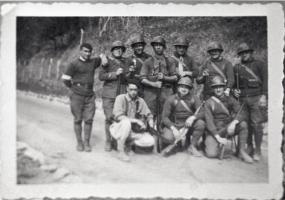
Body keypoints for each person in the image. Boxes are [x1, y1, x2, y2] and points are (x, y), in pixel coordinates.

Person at [62, 43, 107, 152]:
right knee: (78, 119)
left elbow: (102, 57)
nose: (87, 53)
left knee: (89, 120)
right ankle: (79, 143)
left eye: (89, 51)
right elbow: (65, 79)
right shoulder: (73, 64)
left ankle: (87, 142)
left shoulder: (93, 62)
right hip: (76, 95)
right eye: (85, 51)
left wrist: (104, 56)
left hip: (89, 95)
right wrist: (74, 89)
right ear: (80, 51)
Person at [204, 75, 253, 163]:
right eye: (215, 87)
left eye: (220, 87)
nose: (218, 89)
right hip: (215, 131)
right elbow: (209, 122)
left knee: (243, 124)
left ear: (224, 87)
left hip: (228, 128)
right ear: (212, 89)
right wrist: (218, 137)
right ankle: (210, 144)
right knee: (211, 154)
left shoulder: (230, 99)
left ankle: (241, 151)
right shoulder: (208, 102)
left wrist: (234, 123)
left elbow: (242, 113)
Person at [232, 42, 267, 161]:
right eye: (242, 53)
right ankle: (249, 147)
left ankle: (257, 150)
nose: (244, 55)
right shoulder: (237, 67)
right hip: (242, 100)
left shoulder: (260, 64)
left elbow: (266, 81)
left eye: (246, 52)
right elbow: (233, 83)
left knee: (257, 125)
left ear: (250, 52)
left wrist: (264, 96)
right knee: (245, 124)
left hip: (256, 98)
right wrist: (233, 91)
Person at [110, 80, 155, 162]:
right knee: (126, 123)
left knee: (150, 141)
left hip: (133, 130)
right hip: (119, 128)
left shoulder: (140, 101)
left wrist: (151, 123)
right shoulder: (120, 98)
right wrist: (136, 121)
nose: (133, 92)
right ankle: (120, 150)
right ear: (127, 89)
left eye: (135, 90)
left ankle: (129, 145)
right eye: (131, 89)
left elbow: (148, 114)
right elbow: (118, 116)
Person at [161, 77, 205, 156]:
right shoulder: (171, 99)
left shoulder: (194, 98)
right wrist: (173, 128)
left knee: (201, 124)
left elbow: (202, 112)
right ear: (178, 87)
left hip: (189, 125)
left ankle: (192, 146)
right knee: (167, 137)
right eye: (182, 86)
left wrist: (193, 117)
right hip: (175, 124)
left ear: (189, 89)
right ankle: (178, 144)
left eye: (186, 87)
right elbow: (164, 117)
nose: (184, 89)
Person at [99, 40, 130, 152]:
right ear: (112, 51)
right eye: (116, 49)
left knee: (120, 118)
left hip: (121, 94)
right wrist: (114, 74)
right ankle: (108, 141)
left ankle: (117, 141)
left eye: (120, 49)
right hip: (108, 95)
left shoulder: (126, 62)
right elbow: (101, 76)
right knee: (109, 118)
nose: (118, 50)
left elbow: (127, 79)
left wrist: (128, 74)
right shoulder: (107, 61)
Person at [140, 36, 178, 124]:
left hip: (166, 91)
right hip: (151, 93)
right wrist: (153, 84)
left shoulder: (170, 61)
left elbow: (175, 77)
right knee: (149, 117)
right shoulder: (148, 61)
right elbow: (142, 78)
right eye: (156, 45)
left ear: (164, 47)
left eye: (160, 45)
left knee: (165, 116)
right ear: (153, 47)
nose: (158, 47)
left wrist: (165, 78)